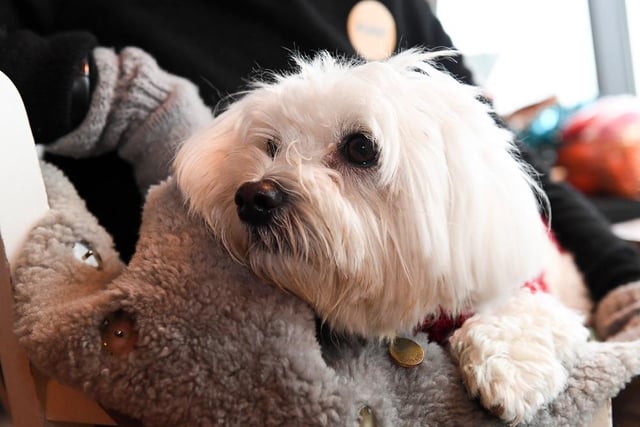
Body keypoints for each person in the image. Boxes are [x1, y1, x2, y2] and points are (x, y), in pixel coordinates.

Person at [1, 0, 639, 341]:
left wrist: (625, 281)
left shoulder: (396, 9)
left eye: (357, 152)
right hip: (182, 327)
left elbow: (498, 156)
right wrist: (112, 92)